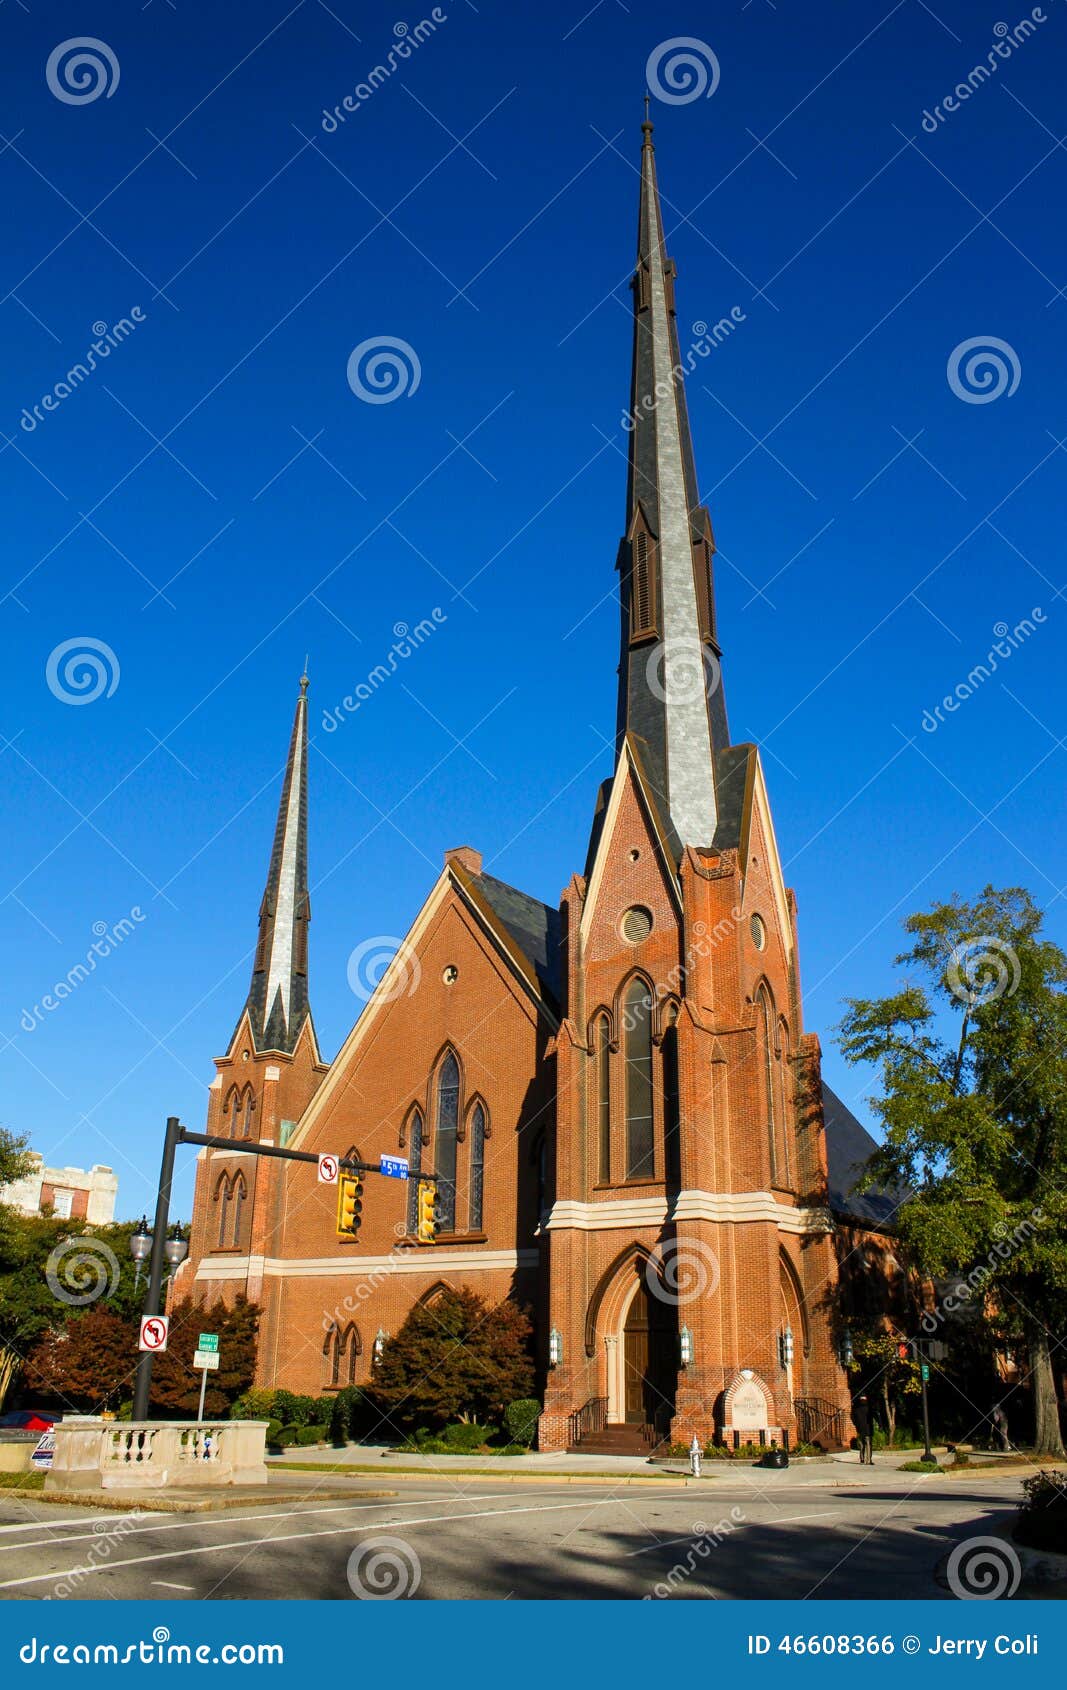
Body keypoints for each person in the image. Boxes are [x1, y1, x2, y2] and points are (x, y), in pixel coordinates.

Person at [852, 1394, 873, 1464]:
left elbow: (852, 1418)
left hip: (860, 1428)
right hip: (868, 1429)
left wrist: (856, 1425)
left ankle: (862, 1459)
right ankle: (868, 1460)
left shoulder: (856, 1409)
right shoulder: (869, 1408)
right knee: (868, 1444)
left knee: (862, 1444)